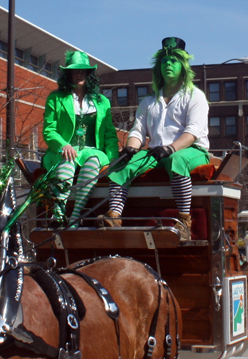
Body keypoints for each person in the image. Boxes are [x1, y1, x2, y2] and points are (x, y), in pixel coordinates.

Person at [103, 37, 209, 241]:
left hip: (191, 151)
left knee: (175, 160)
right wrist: (131, 148)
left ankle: (184, 220)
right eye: (164, 61)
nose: (168, 65)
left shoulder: (195, 96)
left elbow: (192, 132)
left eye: (174, 61)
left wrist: (170, 149)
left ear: (183, 66)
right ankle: (114, 216)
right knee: (119, 163)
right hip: (156, 153)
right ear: (158, 67)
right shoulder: (149, 102)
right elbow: (137, 131)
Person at [43, 50, 119, 227]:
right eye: (74, 71)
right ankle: (58, 212)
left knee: (92, 160)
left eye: (82, 70)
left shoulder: (102, 102)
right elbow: (49, 130)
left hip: (92, 151)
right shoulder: (55, 98)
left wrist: (113, 158)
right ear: (68, 74)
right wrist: (63, 145)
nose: (78, 74)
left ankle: (76, 217)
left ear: (88, 74)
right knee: (68, 159)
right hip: (62, 151)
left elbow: (109, 134)